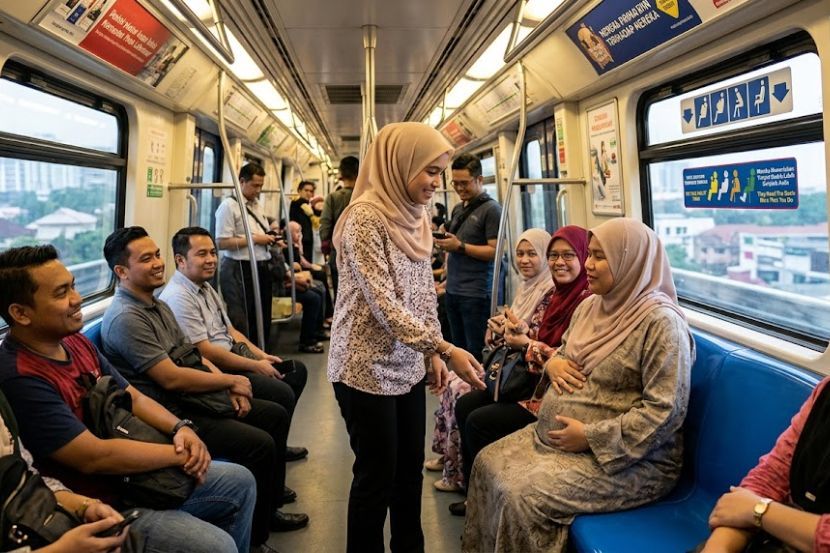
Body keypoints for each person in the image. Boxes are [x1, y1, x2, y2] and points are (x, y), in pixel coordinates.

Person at [0, 245, 256, 553]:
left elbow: (132, 396)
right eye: (60, 293)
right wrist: (179, 455)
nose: (76, 299)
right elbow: (94, 456)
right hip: (102, 502)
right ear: (20, 313)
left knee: (240, 481)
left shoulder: (75, 341)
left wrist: (180, 430)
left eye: (73, 286)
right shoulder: (21, 377)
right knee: (216, 546)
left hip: (135, 479)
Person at [462, 218, 694, 552]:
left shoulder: (661, 325)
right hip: (556, 440)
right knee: (486, 463)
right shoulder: (590, 306)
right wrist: (553, 361)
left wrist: (590, 437)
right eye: (591, 255)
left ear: (630, 262)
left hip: (630, 459)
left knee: (522, 496)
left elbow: (665, 412)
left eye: (600, 257)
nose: (588, 264)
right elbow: (564, 353)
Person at [328, 121, 486, 553]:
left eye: (441, 173)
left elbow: (421, 296)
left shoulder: (416, 217)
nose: (437, 183)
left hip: (408, 361)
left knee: (409, 471)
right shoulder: (363, 220)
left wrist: (431, 352)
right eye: (430, 172)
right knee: (377, 475)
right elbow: (385, 306)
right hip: (363, 366)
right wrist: (444, 347)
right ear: (399, 166)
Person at [99, 227, 308, 548]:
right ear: (121, 271)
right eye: (146, 259)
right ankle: (257, 537)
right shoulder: (126, 318)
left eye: (157, 255)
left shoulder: (156, 305)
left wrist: (232, 387)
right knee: (260, 443)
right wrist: (230, 380)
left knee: (274, 413)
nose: (158, 263)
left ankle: (268, 508)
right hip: (170, 411)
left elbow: (193, 354)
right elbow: (171, 378)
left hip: (192, 397)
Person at [446, 225, 591, 516]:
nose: (558, 263)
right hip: (533, 379)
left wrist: (526, 342)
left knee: (479, 420)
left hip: (550, 395)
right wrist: (518, 331)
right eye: (554, 256)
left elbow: (566, 360)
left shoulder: (585, 301)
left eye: (568, 256)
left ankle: (488, 503)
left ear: (583, 258)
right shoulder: (557, 296)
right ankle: (475, 490)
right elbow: (537, 334)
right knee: (466, 404)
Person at [160, 226, 309, 461]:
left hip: (232, 355)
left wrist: (261, 356)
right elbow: (204, 350)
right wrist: (254, 366)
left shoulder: (206, 286)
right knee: (281, 393)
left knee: (296, 372)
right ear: (180, 260)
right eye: (202, 254)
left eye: (213, 252)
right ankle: (274, 452)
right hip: (216, 366)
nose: (211, 260)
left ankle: (278, 445)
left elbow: (230, 330)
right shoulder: (179, 297)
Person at [426, 228, 555, 494]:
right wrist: (501, 331)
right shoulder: (525, 288)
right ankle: (459, 468)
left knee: (467, 400)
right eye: (520, 253)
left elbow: (534, 341)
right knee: (458, 391)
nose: (525, 260)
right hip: (512, 370)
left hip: (531, 383)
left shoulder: (550, 293)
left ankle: (469, 481)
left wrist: (515, 335)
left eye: (533, 254)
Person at [699, 378, 830, 552]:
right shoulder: (825, 392)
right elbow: (770, 477)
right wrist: (719, 547)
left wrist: (759, 511)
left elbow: (750, 506)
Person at [435, 153, 502, 362]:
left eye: (465, 183)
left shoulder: (492, 210)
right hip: (454, 290)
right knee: (457, 350)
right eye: (455, 183)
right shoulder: (457, 208)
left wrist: (460, 246)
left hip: (475, 294)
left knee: (474, 352)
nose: (459, 188)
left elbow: (494, 252)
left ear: (479, 180)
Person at [215, 162, 280, 347]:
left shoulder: (256, 204)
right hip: (239, 268)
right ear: (242, 182)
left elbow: (261, 230)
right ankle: (249, 360)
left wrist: (271, 238)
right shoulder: (228, 207)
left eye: (261, 185)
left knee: (263, 315)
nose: (258, 190)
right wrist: (256, 239)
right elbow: (221, 242)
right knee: (244, 317)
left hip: (261, 266)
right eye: (255, 185)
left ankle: (264, 354)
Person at [320, 155, 359, 299]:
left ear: (341, 175)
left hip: (338, 251)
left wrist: (325, 245)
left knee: (340, 293)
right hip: (361, 252)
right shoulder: (364, 196)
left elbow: (325, 224)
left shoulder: (333, 197)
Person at [286, 221, 333, 323]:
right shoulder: (287, 247)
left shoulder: (295, 245)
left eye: (300, 232)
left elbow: (302, 260)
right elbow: (299, 264)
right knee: (318, 289)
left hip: (298, 273)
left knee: (321, 275)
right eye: (297, 232)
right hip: (293, 277)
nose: (299, 235)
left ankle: (326, 316)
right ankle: (323, 319)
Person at [289, 180, 319, 263]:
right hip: (300, 238)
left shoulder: (310, 205)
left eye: (311, 191)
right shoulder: (296, 203)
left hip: (309, 238)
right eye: (306, 190)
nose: (309, 193)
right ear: (299, 191)